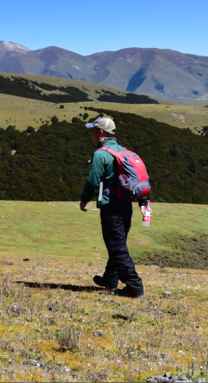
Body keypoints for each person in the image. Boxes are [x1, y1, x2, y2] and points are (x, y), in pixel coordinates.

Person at [78, 116, 145, 299]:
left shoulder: (101, 154)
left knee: (117, 248)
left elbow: (92, 181)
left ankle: (135, 287)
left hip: (111, 208)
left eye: (93, 130)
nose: (91, 134)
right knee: (117, 245)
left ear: (100, 133)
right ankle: (110, 280)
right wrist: (143, 202)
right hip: (126, 207)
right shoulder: (123, 151)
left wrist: (84, 200)